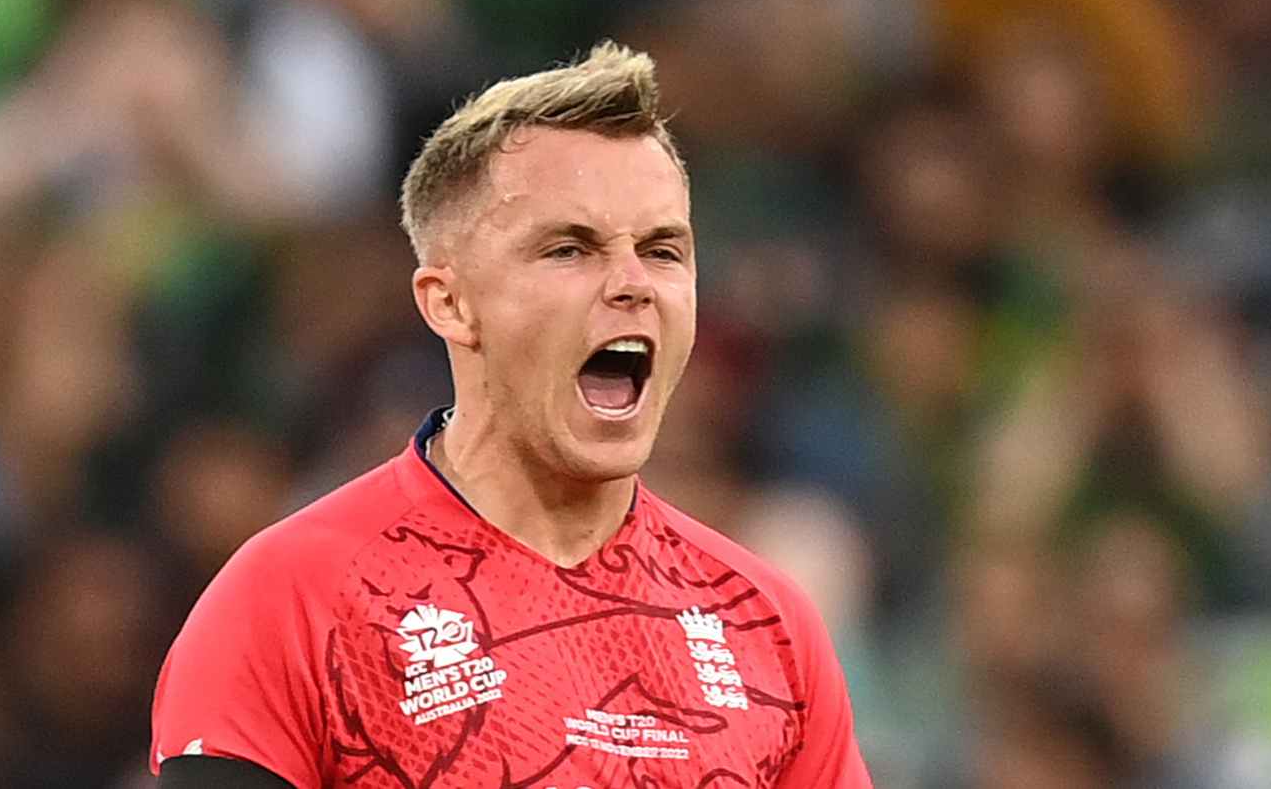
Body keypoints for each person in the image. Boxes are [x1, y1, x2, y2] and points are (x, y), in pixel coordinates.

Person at [150, 41, 875, 789]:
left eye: (663, 251)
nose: (632, 285)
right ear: (451, 303)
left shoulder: (766, 625)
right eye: (570, 250)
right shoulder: (290, 599)